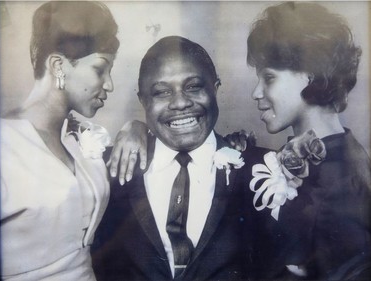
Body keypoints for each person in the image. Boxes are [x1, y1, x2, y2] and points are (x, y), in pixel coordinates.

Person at [91, 36, 268, 281]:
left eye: (193, 86)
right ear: (143, 100)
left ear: (215, 88)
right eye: (162, 92)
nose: (181, 102)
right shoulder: (109, 168)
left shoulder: (261, 169)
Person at [244, 2, 371, 280]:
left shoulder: (342, 179)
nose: (256, 93)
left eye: (268, 78)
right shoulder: (340, 155)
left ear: (309, 76)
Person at [0, 1, 119, 280]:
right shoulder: (4, 146)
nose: (110, 84)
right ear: (57, 66)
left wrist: (137, 129)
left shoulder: (81, 138)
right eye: (101, 69)